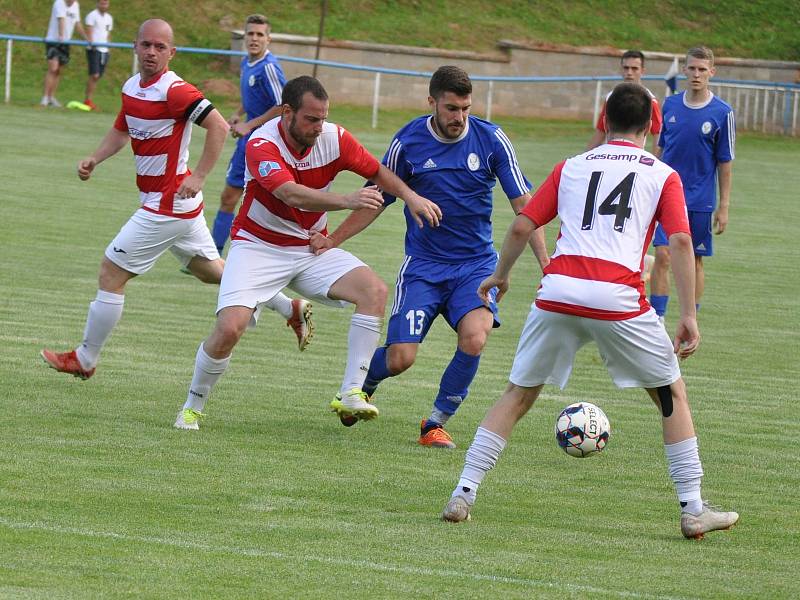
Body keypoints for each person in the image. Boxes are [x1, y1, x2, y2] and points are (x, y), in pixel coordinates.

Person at [441, 83, 739, 540]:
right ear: (650, 126)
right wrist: (688, 314)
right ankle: (693, 508)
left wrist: (501, 275)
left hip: (558, 291)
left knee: (517, 395)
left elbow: (523, 224)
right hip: (616, 296)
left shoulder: (572, 166)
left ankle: (463, 493)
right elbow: (679, 241)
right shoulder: (662, 174)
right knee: (670, 396)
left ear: (604, 120)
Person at [174, 75, 442, 431]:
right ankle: (192, 406)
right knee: (230, 328)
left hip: (310, 246)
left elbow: (377, 171)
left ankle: (351, 392)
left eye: (323, 118)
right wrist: (347, 200)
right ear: (287, 112)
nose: (319, 127)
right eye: (311, 119)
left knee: (373, 291)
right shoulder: (261, 142)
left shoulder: (335, 137)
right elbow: (290, 193)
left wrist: (411, 196)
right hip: (257, 247)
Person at [312, 66, 549, 448]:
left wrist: (547, 266)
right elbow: (377, 199)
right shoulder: (408, 142)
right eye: (452, 108)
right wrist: (333, 238)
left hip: (475, 266)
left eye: (466, 109)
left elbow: (527, 206)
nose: (459, 118)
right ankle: (363, 385)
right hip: (423, 267)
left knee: (475, 338)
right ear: (432, 103)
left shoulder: (491, 140)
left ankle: (435, 422)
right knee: (402, 358)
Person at [41, 19, 230, 379]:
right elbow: (120, 130)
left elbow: (219, 126)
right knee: (211, 273)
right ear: (134, 46)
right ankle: (288, 307)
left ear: (172, 53)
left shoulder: (175, 91)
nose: (152, 53)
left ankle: (86, 358)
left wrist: (200, 175)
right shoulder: (132, 87)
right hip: (173, 205)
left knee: (111, 272)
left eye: (160, 47)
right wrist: (95, 158)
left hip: (167, 203)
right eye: (146, 45)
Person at [649, 46, 735, 322]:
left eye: (702, 69)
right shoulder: (671, 105)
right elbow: (659, 149)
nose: (697, 74)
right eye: (692, 68)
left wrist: (723, 206)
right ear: (684, 70)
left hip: (699, 199)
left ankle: (690, 320)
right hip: (665, 195)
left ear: (712, 72)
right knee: (662, 255)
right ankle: (657, 321)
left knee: (693, 260)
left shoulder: (722, 113)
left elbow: (725, 161)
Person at [211, 14, 287, 256]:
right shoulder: (247, 62)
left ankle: (269, 255)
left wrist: (249, 125)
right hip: (248, 141)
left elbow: (283, 105)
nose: (254, 39)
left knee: (270, 205)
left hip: (267, 143)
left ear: (268, 39)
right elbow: (254, 98)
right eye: (250, 34)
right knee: (229, 196)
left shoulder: (270, 68)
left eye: (259, 35)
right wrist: (238, 114)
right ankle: (213, 254)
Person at [587, 50, 663, 154]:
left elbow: (657, 134)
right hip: (609, 156)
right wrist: (585, 156)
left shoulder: (650, 100)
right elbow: (601, 131)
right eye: (626, 68)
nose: (629, 72)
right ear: (621, 69)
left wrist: (654, 162)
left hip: (634, 157)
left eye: (634, 68)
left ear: (642, 71)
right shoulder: (611, 97)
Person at [42, 0, 88, 107]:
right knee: (53, 68)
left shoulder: (76, 5)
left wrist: (86, 38)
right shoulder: (59, 3)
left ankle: (51, 97)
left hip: (66, 42)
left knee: (58, 71)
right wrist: (61, 36)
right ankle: (45, 97)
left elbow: (77, 23)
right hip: (54, 41)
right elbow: (61, 20)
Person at [82, 0, 113, 110]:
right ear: (97, 4)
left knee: (98, 76)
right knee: (94, 75)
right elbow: (89, 32)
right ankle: (87, 100)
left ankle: (89, 100)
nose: (104, 5)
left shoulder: (109, 18)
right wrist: (92, 45)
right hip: (94, 49)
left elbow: (108, 34)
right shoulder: (92, 16)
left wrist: (108, 48)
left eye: (106, 3)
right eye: (102, 3)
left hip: (104, 51)